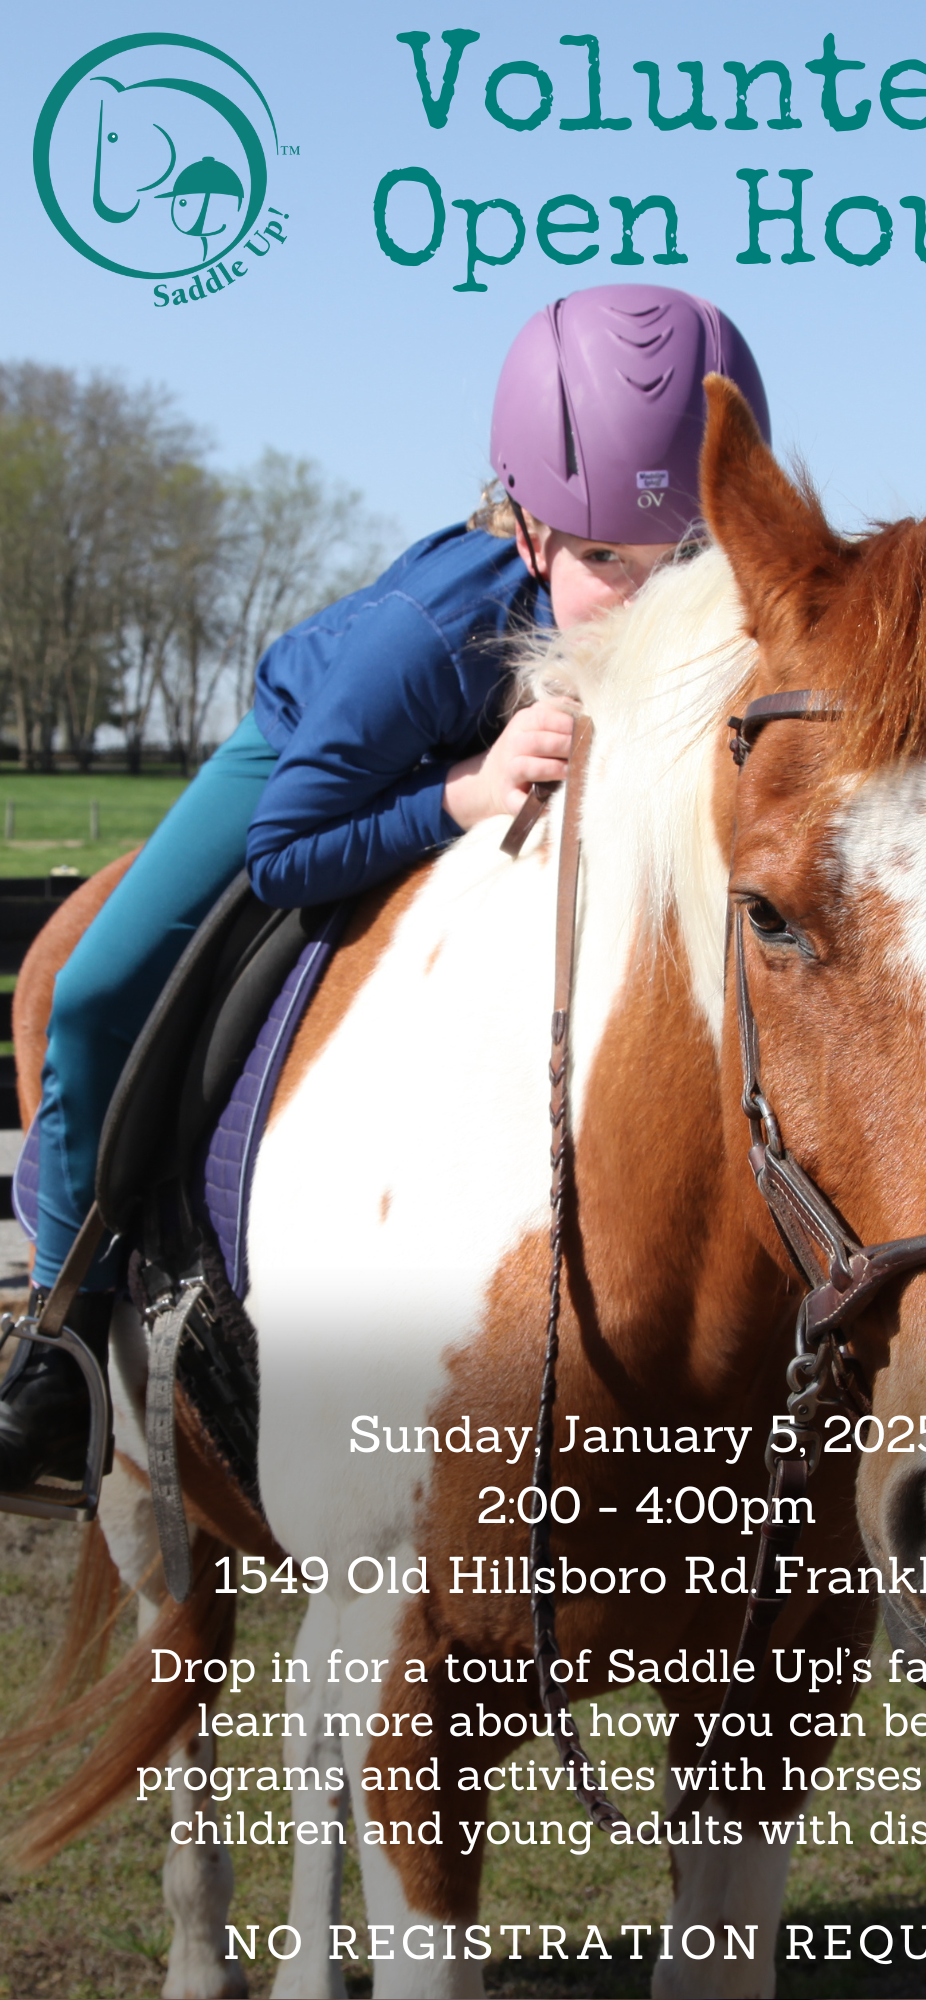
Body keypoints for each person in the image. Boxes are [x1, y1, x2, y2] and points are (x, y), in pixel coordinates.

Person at [0, 283, 771, 1498]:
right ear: (527, 532)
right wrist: (459, 794)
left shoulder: (714, 624)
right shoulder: (419, 636)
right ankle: (63, 1333)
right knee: (95, 988)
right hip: (320, 758)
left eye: (688, 557)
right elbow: (287, 854)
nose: (651, 596)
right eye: (609, 560)